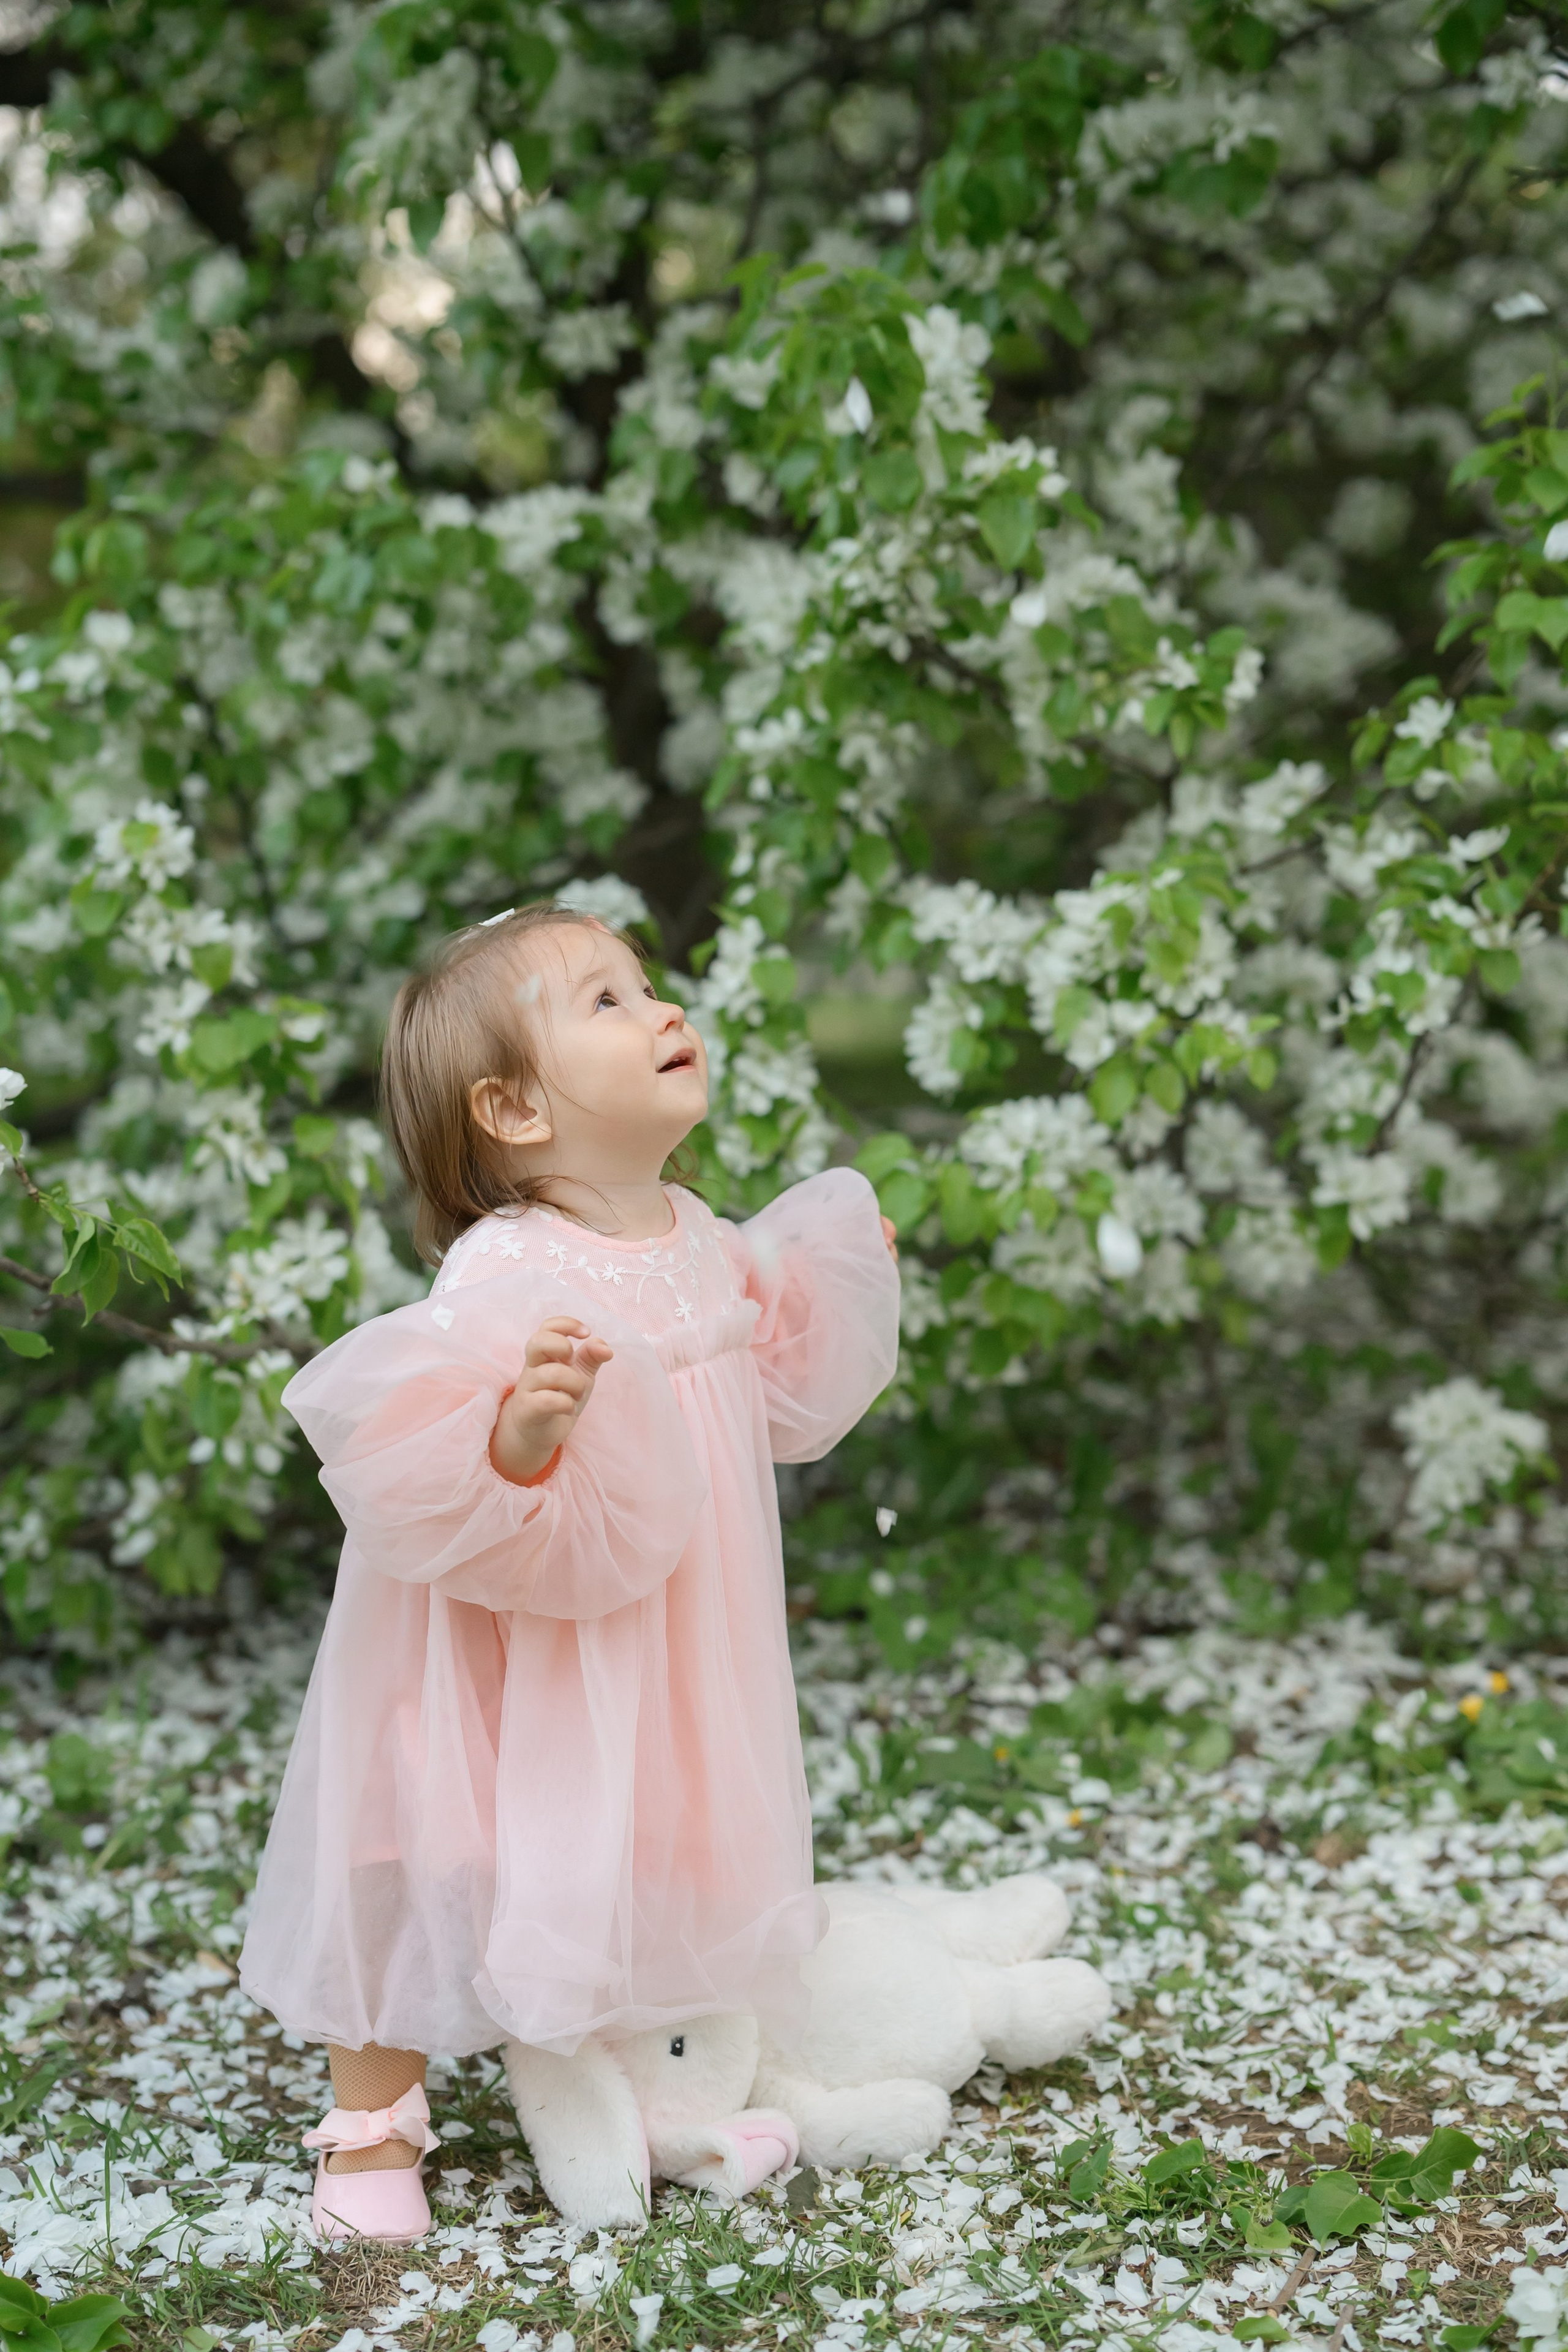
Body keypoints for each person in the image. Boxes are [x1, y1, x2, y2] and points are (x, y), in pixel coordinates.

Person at [237, 902, 902, 2242]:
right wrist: (522, 1431)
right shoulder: (511, 1269)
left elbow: (758, 1397)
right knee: (432, 1837)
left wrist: (817, 1297)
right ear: (515, 1111)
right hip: (515, 1636)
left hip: (667, 1633)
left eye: (646, 985)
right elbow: (434, 1472)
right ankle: (370, 2132)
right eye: (603, 1001)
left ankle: (630, 2067)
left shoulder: (701, 1234)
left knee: (638, 1823)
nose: (660, 1009)